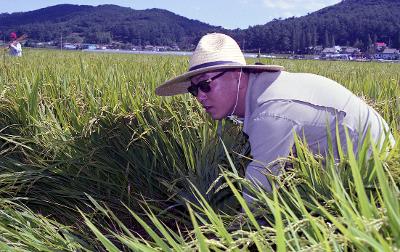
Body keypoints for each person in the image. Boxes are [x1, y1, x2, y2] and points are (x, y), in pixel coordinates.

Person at [155, 33, 395, 202]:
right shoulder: (264, 91)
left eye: (205, 85)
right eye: (193, 90)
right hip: (353, 160)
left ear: (237, 75)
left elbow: (257, 196)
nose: (199, 97)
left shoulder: (270, 112)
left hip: (375, 175)